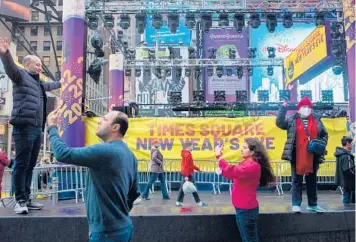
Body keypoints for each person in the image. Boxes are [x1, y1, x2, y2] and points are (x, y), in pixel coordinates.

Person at [47, 109, 140, 242]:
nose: (100, 121)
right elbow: (134, 193)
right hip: (124, 227)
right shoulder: (131, 156)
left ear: (115, 127)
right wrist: (117, 213)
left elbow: (62, 154)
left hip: (106, 233)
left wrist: (52, 127)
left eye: (105, 119)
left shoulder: (104, 150)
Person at [0, 37, 63, 214]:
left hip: (37, 128)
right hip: (24, 127)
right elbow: (10, 68)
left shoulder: (39, 83)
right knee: (21, 165)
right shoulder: (20, 76)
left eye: (41, 65)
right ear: (27, 65)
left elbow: (51, 84)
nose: (40, 68)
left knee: (30, 165)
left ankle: (27, 198)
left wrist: (62, 82)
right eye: (37, 65)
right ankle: (19, 200)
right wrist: (5, 53)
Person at [215, 138, 275, 242]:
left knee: (249, 239)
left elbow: (234, 171)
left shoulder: (252, 166)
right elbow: (233, 173)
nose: (241, 149)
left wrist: (219, 158)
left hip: (246, 210)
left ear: (252, 151)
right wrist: (220, 162)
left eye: (244, 147)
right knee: (246, 238)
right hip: (242, 208)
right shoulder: (247, 163)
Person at [276, 97, 328, 213]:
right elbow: (279, 123)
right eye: (304, 107)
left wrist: (322, 144)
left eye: (308, 107)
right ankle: (296, 204)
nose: (306, 109)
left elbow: (324, 134)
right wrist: (283, 108)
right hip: (296, 154)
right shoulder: (292, 120)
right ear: (299, 109)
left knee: (312, 180)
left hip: (313, 154)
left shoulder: (317, 120)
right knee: (296, 180)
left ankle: (313, 204)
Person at [176, 141, 207, 207]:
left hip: (186, 173)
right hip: (187, 173)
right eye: (192, 146)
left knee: (183, 188)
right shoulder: (188, 154)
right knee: (193, 188)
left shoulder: (185, 153)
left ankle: (178, 202)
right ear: (188, 147)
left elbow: (190, 165)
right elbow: (187, 166)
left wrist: (198, 169)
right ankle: (199, 202)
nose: (193, 147)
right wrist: (187, 175)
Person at [335, 136, 355, 205]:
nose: (352, 145)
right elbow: (348, 169)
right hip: (348, 181)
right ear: (347, 143)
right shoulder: (346, 155)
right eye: (351, 143)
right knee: (347, 201)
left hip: (343, 180)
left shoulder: (340, 154)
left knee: (346, 199)